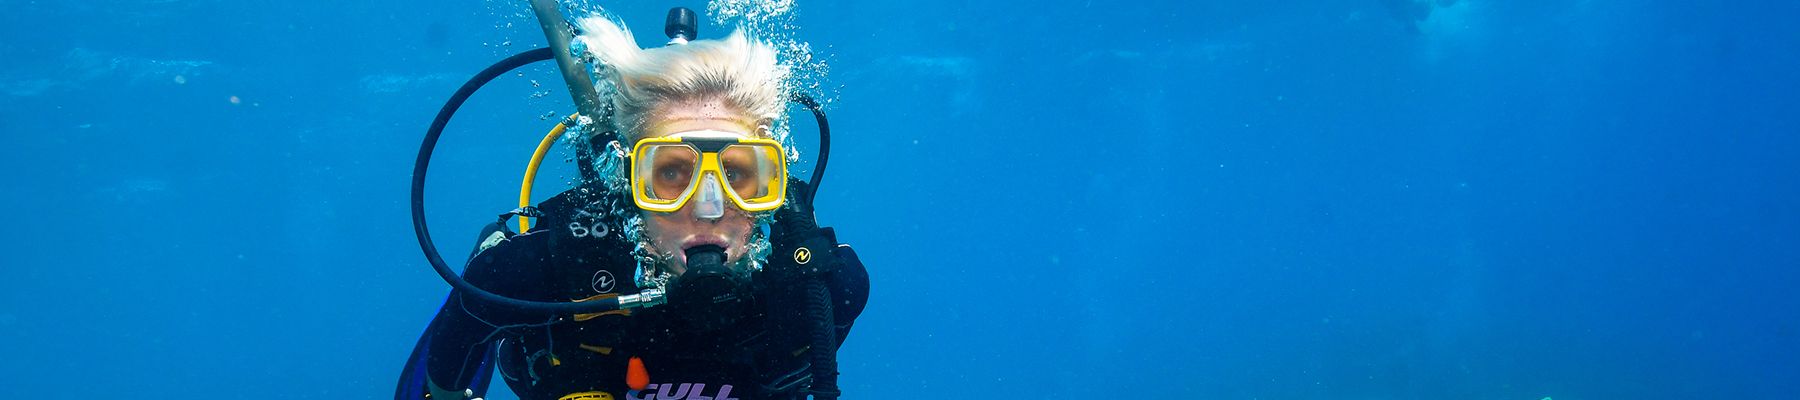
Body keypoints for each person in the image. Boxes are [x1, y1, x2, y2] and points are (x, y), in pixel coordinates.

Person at [396, 14, 869, 400]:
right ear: (627, 184)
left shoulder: (825, 287)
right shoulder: (527, 274)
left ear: (771, 183)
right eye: (669, 174)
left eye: (739, 174)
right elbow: (445, 378)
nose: (707, 208)